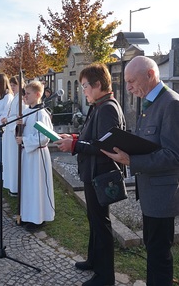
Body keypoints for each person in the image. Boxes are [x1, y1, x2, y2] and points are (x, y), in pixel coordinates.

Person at [102, 56, 179, 286]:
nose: (128, 88)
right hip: (150, 193)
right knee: (153, 249)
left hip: (162, 195)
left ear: (150, 75)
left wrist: (131, 160)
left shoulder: (171, 104)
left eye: (132, 81)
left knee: (159, 253)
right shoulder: (150, 103)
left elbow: (174, 156)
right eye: (126, 82)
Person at [54, 63, 125, 286]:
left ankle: (105, 277)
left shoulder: (107, 108)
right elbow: (91, 136)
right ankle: (94, 261)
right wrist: (74, 138)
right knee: (94, 219)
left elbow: (104, 146)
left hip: (100, 174)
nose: (83, 90)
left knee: (101, 223)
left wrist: (74, 146)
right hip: (93, 172)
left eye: (85, 86)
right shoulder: (99, 105)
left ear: (98, 85)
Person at [16, 81, 55, 232]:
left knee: (36, 186)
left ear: (38, 94)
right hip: (27, 154)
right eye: (25, 93)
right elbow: (21, 130)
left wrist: (25, 140)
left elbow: (45, 137)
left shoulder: (41, 114)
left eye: (28, 93)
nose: (25, 96)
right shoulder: (27, 111)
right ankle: (27, 215)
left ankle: (38, 218)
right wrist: (19, 126)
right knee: (28, 186)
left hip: (37, 155)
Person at [1, 75, 28, 196]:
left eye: (14, 85)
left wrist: (9, 120)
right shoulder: (15, 97)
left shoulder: (22, 98)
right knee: (10, 160)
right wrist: (7, 119)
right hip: (9, 131)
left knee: (14, 161)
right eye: (11, 85)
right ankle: (11, 185)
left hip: (14, 132)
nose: (12, 87)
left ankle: (16, 187)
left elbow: (21, 115)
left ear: (21, 85)